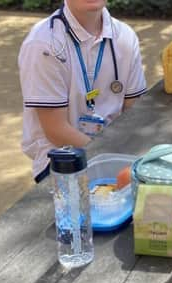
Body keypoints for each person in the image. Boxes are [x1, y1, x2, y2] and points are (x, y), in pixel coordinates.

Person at [18, 0, 147, 183]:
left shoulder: (125, 36)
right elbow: (56, 131)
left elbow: (133, 111)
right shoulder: (43, 44)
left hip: (115, 151)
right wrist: (109, 157)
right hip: (61, 158)